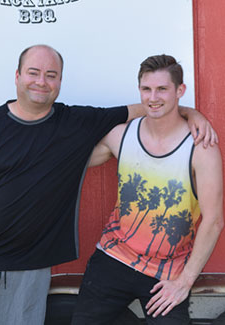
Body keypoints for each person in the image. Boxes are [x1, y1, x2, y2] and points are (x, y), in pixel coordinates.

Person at [0, 46, 216, 325]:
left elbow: (152, 107)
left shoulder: (73, 122)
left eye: (51, 75)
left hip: (33, 268)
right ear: (18, 76)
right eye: (34, 73)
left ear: (59, 82)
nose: (41, 81)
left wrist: (191, 114)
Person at [71, 54, 224, 325]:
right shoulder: (120, 136)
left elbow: (213, 220)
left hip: (168, 272)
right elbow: (71, 161)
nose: (153, 97)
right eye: (146, 89)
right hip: (113, 257)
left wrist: (184, 282)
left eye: (162, 89)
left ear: (180, 91)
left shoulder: (201, 149)